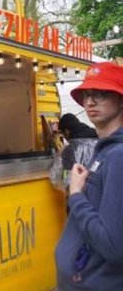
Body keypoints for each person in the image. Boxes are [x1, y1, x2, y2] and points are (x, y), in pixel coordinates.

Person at [55, 62, 123, 289]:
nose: (90, 101)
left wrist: (75, 195)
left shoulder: (118, 155)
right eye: (86, 95)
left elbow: (113, 246)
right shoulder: (103, 150)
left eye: (101, 94)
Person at [50, 113, 97, 192]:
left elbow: (59, 180)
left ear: (67, 131)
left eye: (63, 134)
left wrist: (60, 155)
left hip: (83, 198)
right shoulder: (101, 140)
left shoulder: (70, 150)